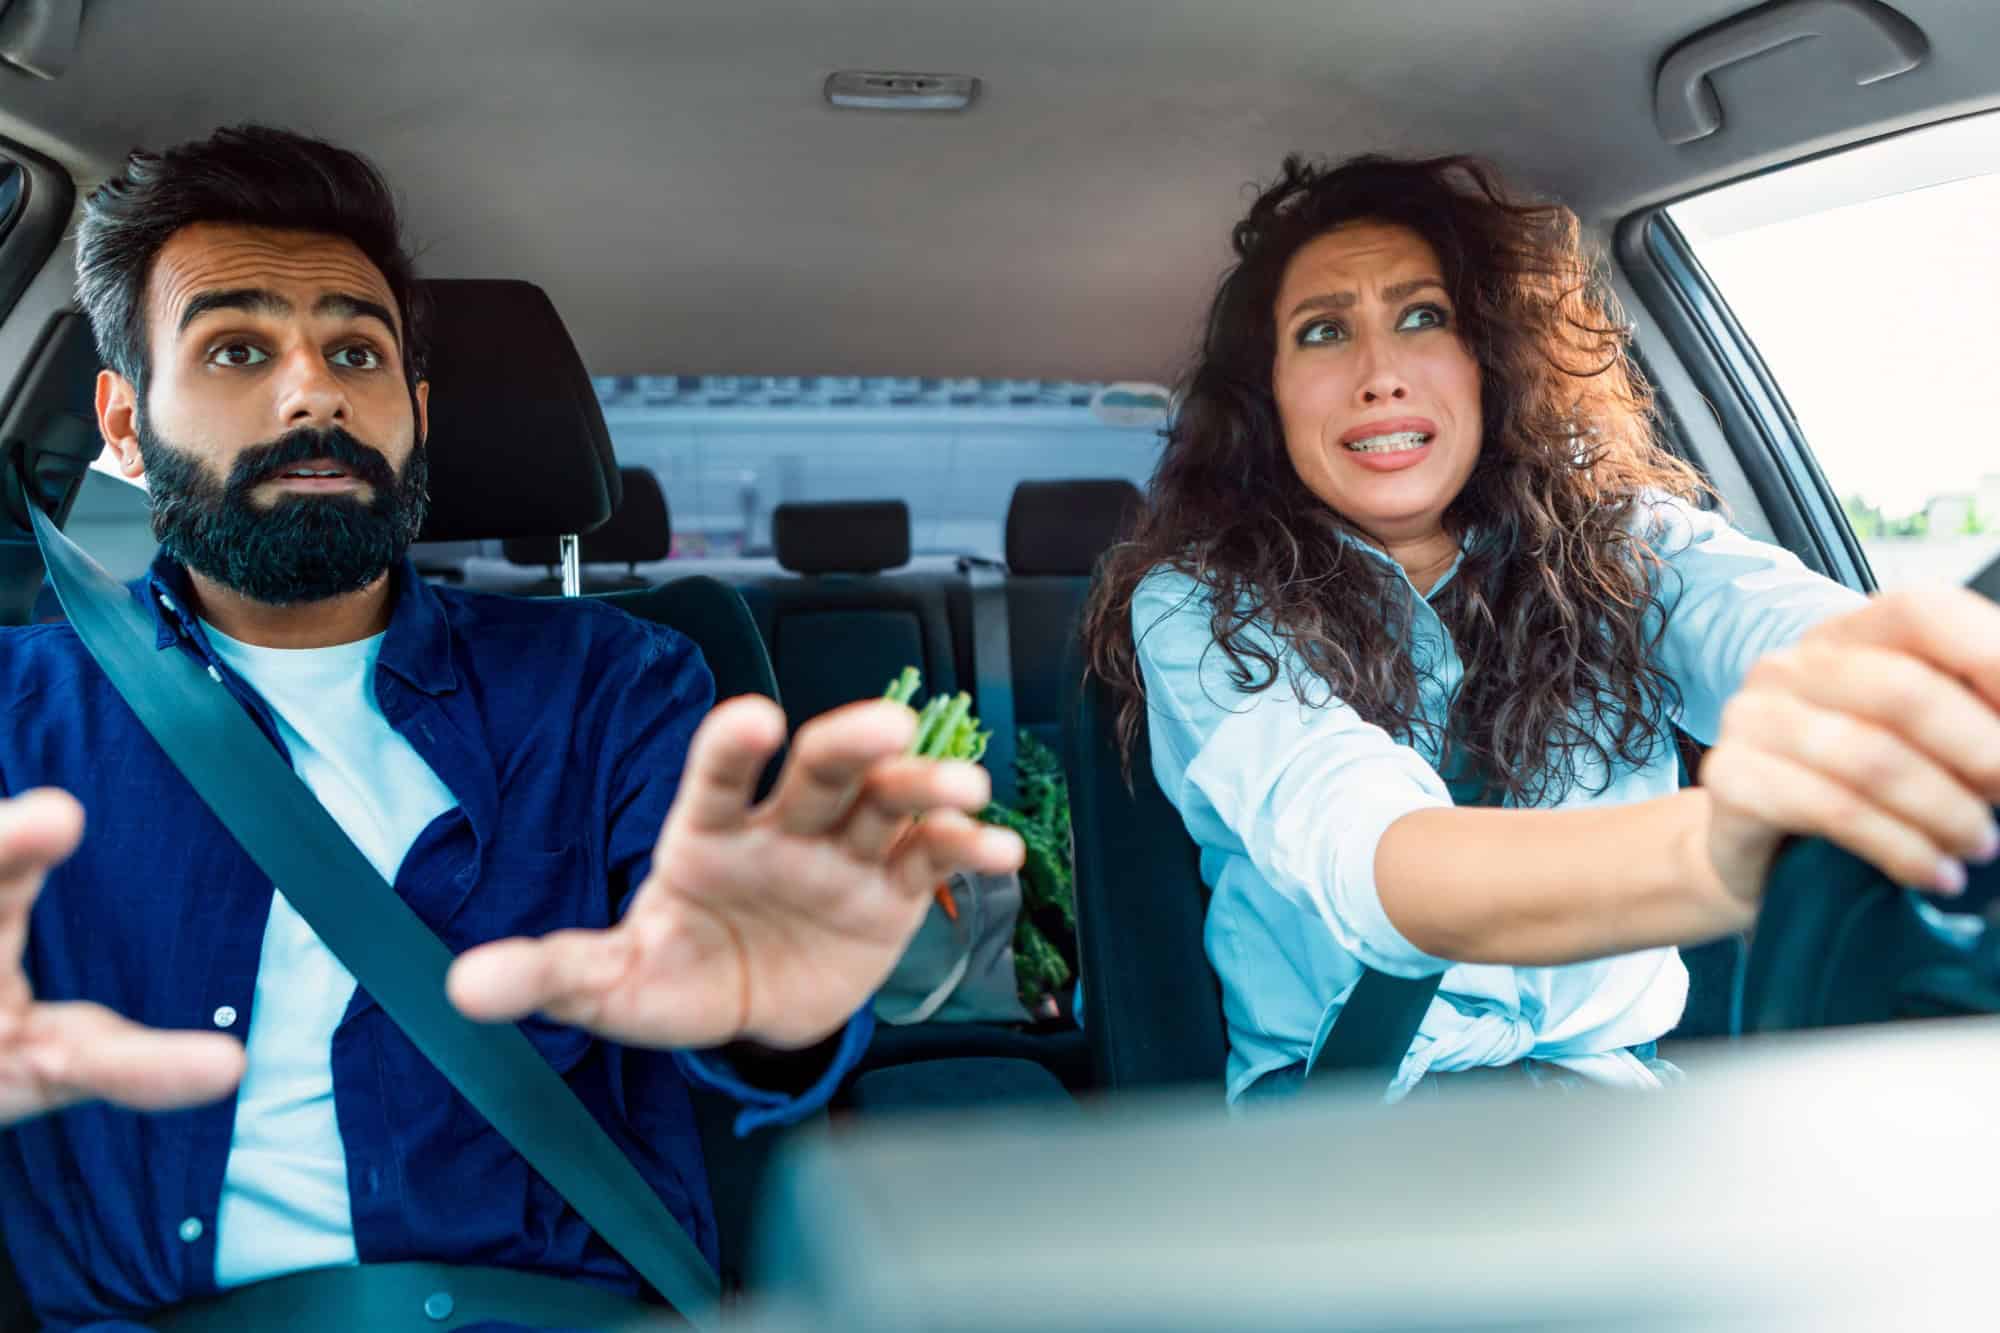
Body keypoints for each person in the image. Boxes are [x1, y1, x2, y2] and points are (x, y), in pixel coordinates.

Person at [0, 125, 1023, 1328]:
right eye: (235, 347)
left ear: (413, 411)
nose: (313, 388)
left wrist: (773, 1020)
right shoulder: (20, 715)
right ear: (124, 425)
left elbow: (727, 976)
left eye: (355, 350)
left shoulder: (617, 686)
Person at [1081, 153, 2000, 1103]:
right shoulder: (1204, 603)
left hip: (1622, 1114)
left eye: (1422, 317)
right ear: (1269, 397)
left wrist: (1924, 683)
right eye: (1323, 332)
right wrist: (1717, 848)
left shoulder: (1627, 540)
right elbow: (1368, 850)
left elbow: (1782, 625)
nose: (1380, 374)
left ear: (1487, 357)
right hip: (1344, 1130)